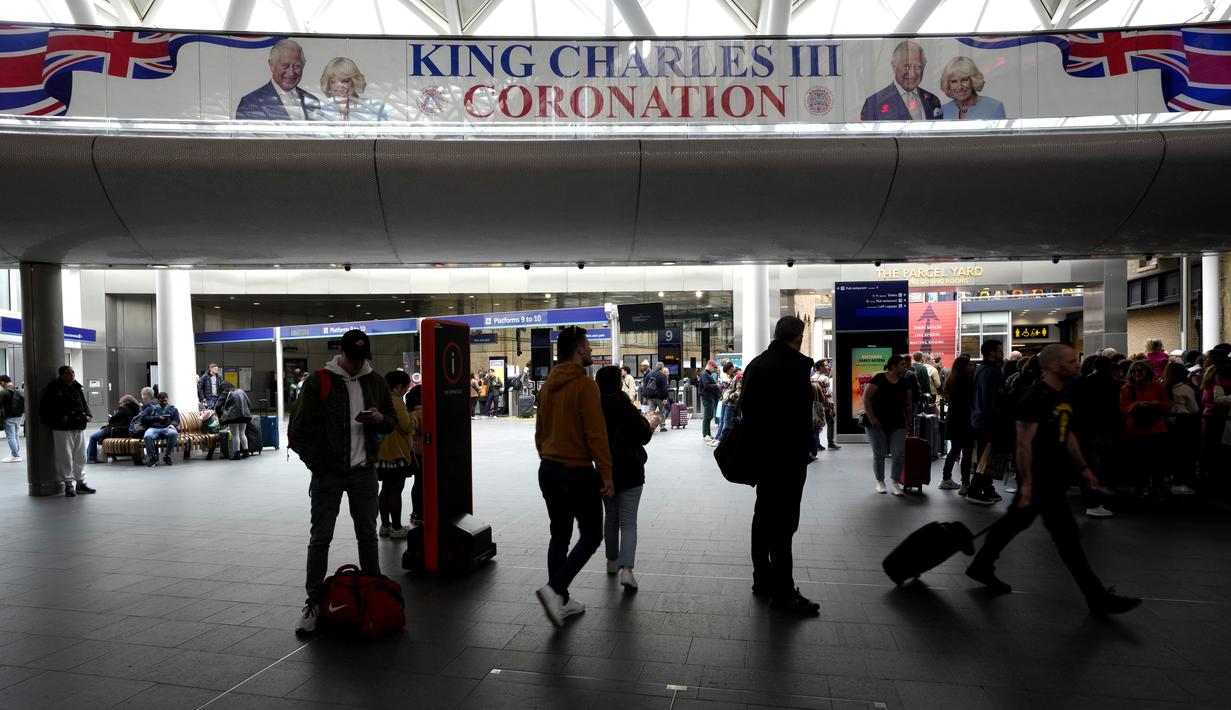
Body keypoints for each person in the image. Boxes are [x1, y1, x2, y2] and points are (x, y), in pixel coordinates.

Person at [966, 345, 1141, 615]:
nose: (1078, 365)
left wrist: (1084, 468)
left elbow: (1066, 431)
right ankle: (1096, 596)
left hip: (1052, 476)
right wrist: (1027, 484)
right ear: (1055, 366)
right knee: (1067, 537)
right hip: (1039, 477)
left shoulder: (1066, 393)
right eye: (1072, 361)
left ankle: (981, 564)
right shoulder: (1033, 397)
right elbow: (1024, 443)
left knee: (1016, 524)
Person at [288, 329, 397, 635]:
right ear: (342, 353)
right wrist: (320, 467)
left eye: (363, 357)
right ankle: (313, 603)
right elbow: (297, 433)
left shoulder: (374, 381)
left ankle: (374, 597)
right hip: (329, 474)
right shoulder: (319, 381)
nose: (358, 363)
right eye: (354, 357)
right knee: (321, 537)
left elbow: (391, 421)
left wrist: (379, 420)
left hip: (364, 471)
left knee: (368, 536)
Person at [533, 326, 613, 627]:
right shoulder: (585, 386)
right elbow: (596, 435)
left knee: (560, 534)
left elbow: (540, 432)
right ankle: (555, 590)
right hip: (577, 472)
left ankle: (561, 602)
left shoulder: (547, 387)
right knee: (592, 534)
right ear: (579, 348)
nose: (591, 351)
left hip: (549, 469)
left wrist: (547, 457)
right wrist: (606, 473)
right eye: (589, 345)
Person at [740, 316, 819, 614]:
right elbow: (800, 419)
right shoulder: (794, 367)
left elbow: (746, 410)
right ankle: (783, 592)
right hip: (787, 459)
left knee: (762, 518)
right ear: (798, 338)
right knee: (784, 525)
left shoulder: (757, 365)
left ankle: (762, 578)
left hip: (762, 458)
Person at [596, 365, 658, 592]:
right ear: (619, 383)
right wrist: (651, 424)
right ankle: (627, 571)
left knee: (610, 516)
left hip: (604, 471)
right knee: (628, 521)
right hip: (631, 470)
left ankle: (611, 562)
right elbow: (643, 436)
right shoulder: (626, 406)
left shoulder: (595, 408)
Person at [1068, 356, 1119, 518]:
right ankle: (1092, 503)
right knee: (1088, 466)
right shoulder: (1113, 384)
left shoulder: (1081, 383)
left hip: (1081, 430)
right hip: (1096, 430)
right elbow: (1112, 410)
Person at [38, 366, 94, 497]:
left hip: (78, 425)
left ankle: (80, 482)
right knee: (65, 456)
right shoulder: (53, 388)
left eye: (73, 372)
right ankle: (68, 484)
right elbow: (45, 408)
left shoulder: (77, 387)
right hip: (62, 427)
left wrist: (88, 414)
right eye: (68, 373)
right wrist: (61, 418)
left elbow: (84, 404)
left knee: (80, 456)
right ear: (62, 375)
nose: (72, 375)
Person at [862, 355, 913, 496]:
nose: (905, 366)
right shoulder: (879, 378)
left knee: (899, 452)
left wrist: (909, 421)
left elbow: (908, 404)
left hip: (897, 421)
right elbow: (866, 398)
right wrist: (872, 417)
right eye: (902, 364)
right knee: (879, 452)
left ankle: (895, 482)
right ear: (893, 366)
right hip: (876, 422)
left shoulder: (905, 382)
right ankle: (880, 481)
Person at [235, 39, 320, 121]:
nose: (291, 73)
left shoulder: (312, 100)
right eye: (285, 66)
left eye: (297, 66)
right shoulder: (250, 103)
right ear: (272, 65)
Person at [1121, 360, 1171, 496]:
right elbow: (1123, 408)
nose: (1137, 374)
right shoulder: (1127, 388)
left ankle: (1156, 487)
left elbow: (1167, 404)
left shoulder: (1157, 386)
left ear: (1147, 372)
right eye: (1134, 371)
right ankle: (1140, 487)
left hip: (1156, 428)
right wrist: (1138, 405)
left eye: (1140, 371)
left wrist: (1157, 403)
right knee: (1138, 462)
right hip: (1136, 430)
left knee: (1157, 462)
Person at [859, 40, 942, 121]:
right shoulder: (873, 104)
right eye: (906, 66)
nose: (912, 73)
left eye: (918, 67)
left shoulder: (933, 100)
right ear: (894, 66)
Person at [376, 370, 414, 539]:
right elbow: (406, 426)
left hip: (381, 452)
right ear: (399, 387)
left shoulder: (379, 398)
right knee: (395, 490)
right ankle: (397, 528)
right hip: (396, 452)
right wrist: (413, 418)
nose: (406, 390)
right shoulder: (397, 401)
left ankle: (385, 526)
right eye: (406, 387)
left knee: (385, 489)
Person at [968, 339, 1007, 505]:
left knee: (983, 456)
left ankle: (987, 488)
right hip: (990, 421)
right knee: (987, 457)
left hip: (976, 419)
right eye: (999, 351)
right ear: (992, 353)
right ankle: (975, 490)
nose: (1002, 353)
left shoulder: (977, 370)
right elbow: (998, 400)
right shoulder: (994, 372)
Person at [1164, 362, 1200, 496]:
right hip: (1185, 424)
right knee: (1184, 454)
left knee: (1171, 453)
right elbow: (1194, 408)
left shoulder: (1163, 387)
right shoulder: (1186, 388)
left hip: (1168, 424)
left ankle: (1170, 480)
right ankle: (1180, 483)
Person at [939, 355, 974, 491]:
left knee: (954, 451)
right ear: (963, 367)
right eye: (969, 365)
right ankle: (965, 484)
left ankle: (946, 478)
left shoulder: (952, 380)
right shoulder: (967, 381)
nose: (972, 367)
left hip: (954, 421)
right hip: (966, 421)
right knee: (967, 452)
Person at [316, 57, 388, 122]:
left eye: (345, 81)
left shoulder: (374, 109)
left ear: (355, 81)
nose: (339, 87)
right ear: (328, 85)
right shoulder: (323, 112)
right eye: (333, 82)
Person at [938, 56, 1006, 120]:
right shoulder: (943, 111)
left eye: (964, 80)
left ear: (973, 80)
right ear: (948, 85)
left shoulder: (994, 107)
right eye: (954, 81)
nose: (960, 86)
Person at [87, 394, 141, 464]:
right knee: (97, 435)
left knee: (92, 437)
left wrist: (111, 419)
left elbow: (112, 420)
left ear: (125, 402)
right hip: (128, 431)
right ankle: (89, 457)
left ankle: (91, 458)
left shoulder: (124, 409)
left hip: (116, 431)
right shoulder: (136, 410)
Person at [140, 391, 180, 467]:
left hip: (167, 428)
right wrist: (158, 418)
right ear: (158, 401)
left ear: (167, 399)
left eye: (165, 400)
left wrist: (172, 424)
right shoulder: (151, 408)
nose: (164, 402)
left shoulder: (173, 409)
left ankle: (167, 455)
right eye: (162, 401)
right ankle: (153, 457)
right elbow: (143, 418)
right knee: (147, 436)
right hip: (153, 428)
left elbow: (176, 420)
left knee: (174, 434)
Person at [216, 381, 253, 460]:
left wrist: (220, 414)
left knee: (235, 435)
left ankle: (237, 454)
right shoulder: (241, 391)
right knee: (242, 433)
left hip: (233, 416)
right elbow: (249, 403)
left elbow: (217, 406)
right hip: (244, 415)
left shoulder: (225, 393)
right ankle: (246, 452)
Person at [405, 385, 425, 525]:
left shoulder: (409, 412)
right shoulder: (422, 412)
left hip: (413, 452)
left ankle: (415, 512)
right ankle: (420, 513)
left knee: (417, 483)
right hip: (423, 452)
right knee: (422, 484)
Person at [711, 361, 743, 447]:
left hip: (731, 403)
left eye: (728, 372)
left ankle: (721, 439)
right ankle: (718, 438)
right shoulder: (734, 376)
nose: (727, 374)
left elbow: (738, 392)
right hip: (726, 402)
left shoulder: (739, 377)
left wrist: (729, 397)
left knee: (726, 422)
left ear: (731, 369)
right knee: (722, 420)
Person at [816, 359, 839, 450]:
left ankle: (817, 444)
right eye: (826, 365)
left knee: (817, 424)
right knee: (831, 422)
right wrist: (832, 407)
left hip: (816, 406)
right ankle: (830, 443)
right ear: (821, 367)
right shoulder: (824, 378)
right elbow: (828, 394)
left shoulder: (812, 377)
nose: (828, 367)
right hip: (825, 405)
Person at [0, 375, 23, 463]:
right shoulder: (16, 389)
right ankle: (16, 453)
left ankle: (15, 455)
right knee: (16, 435)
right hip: (19, 416)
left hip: (9, 417)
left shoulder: (4, 392)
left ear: (2, 382)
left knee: (10, 436)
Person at [642, 361, 669, 432]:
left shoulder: (649, 374)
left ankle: (649, 425)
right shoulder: (662, 375)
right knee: (661, 411)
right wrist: (665, 398)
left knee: (651, 411)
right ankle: (662, 426)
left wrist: (645, 396)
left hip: (650, 396)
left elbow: (645, 386)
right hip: (659, 397)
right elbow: (664, 388)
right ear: (662, 367)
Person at [698, 359, 721, 442]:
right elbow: (707, 386)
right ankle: (705, 434)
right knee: (707, 417)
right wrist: (716, 385)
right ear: (710, 366)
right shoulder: (705, 374)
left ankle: (708, 433)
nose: (714, 369)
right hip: (706, 398)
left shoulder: (707, 374)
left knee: (709, 416)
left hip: (709, 397)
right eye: (714, 367)